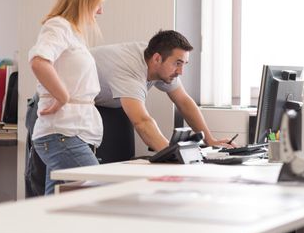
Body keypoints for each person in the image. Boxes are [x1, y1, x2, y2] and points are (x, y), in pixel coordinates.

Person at [28, 0, 110, 195]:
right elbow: (38, 61)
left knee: (58, 204)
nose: (100, 11)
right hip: (61, 133)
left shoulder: (74, 33)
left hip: (69, 132)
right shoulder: (58, 26)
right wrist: (62, 95)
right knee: (98, 190)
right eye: (98, 3)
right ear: (84, 1)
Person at [91, 30, 234, 152]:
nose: (181, 71)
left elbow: (184, 102)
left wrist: (210, 141)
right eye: (177, 63)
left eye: (183, 64)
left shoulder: (160, 63)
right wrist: (172, 154)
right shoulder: (129, 69)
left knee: (120, 157)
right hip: (80, 106)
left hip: (112, 102)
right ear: (157, 59)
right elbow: (142, 121)